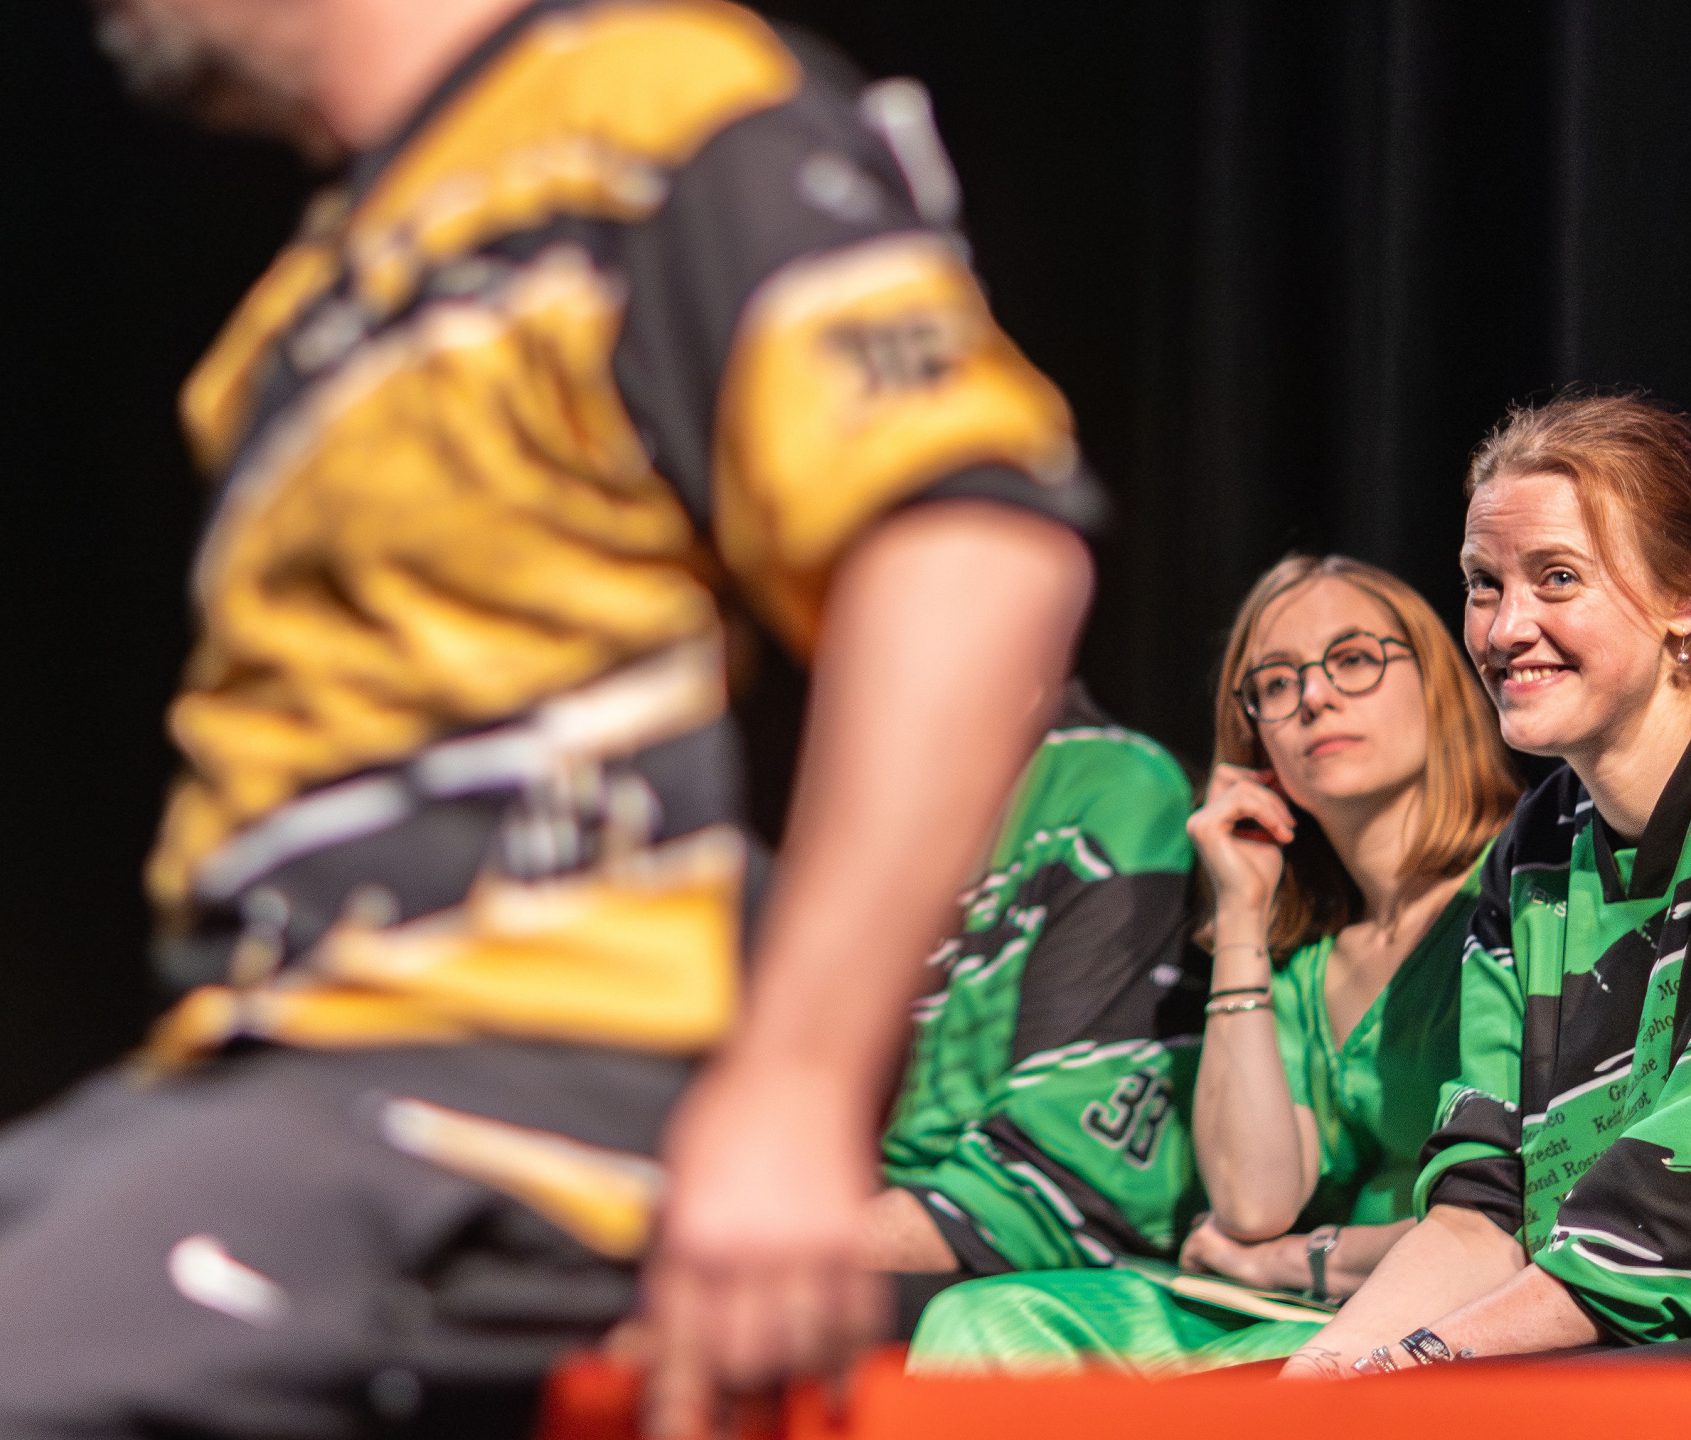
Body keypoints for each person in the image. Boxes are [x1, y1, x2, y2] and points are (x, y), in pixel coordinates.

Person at [5, 0, 1096, 1431]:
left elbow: (971, 548)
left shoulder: (651, 103)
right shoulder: (300, 301)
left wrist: (793, 1094)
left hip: (514, 1101)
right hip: (261, 1095)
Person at [1282, 394, 1691, 1375]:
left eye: (1557, 578)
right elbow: (1480, 1209)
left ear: (1684, 598)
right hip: (1548, 1332)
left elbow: (1681, 1220)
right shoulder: (1539, 841)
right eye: (1483, 584)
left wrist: (1405, 1369)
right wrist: (1328, 1374)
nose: (1506, 629)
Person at [906, 555, 1518, 1375]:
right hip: (1295, 1305)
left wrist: (1301, 1260)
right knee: (981, 1320)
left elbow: (1526, 1219)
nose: (1314, 697)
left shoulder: (1518, 891)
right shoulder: (1309, 961)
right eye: (1277, 683)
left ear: (1438, 683)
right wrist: (1240, 910)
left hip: (1444, 1314)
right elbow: (1253, 1203)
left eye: (1352, 660)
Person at [869, 684, 1201, 1293]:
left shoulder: (1117, 787)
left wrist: (789, 1249)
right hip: (902, 1214)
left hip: (1040, 1270)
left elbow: (1055, 1189)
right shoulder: (882, 800)